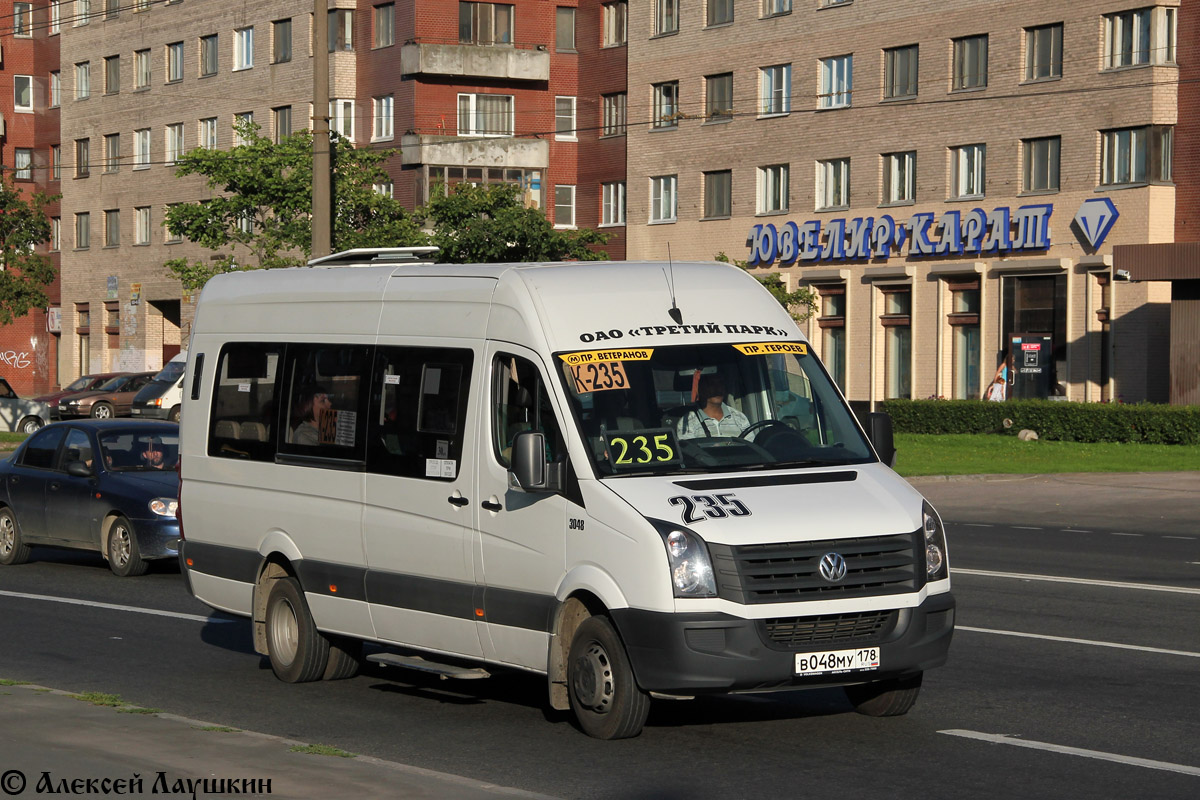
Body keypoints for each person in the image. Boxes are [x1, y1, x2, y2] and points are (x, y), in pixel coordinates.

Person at [678, 373, 750, 440]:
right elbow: (688, 451)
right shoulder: (688, 422)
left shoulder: (739, 417)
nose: (717, 389)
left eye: (720, 384)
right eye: (712, 385)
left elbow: (751, 449)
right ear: (700, 389)